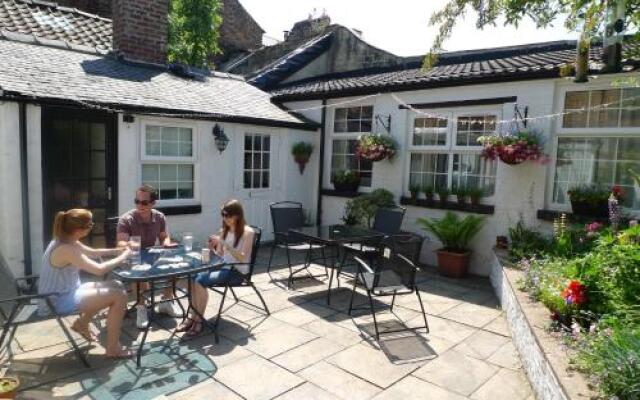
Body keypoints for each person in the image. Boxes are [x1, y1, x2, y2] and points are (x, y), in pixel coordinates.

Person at [38, 209, 133, 359]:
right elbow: (99, 270)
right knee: (119, 296)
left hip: (67, 291)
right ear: (78, 229)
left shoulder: (67, 240)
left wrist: (119, 250)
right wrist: (124, 256)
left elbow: (94, 253)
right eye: (90, 224)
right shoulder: (66, 249)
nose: (92, 226)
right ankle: (113, 349)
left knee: (116, 284)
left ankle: (82, 323)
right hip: (56, 301)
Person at [177, 199, 254, 338]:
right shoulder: (223, 230)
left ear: (237, 215)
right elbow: (219, 255)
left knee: (200, 280)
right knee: (192, 277)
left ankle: (199, 321)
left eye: (228, 215)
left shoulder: (248, 232)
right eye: (223, 215)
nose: (225, 218)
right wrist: (212, 248)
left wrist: (224, 243)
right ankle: (192, 317)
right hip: (223, 266)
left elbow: (242, 258)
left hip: (236, 272)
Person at [116, 185, 180, 328]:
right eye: (137, 201)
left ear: (153, 203)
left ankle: (166, 301)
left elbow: (164, 237)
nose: (140, 205)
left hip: (151, 254)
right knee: (139, 269)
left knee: (176, 265)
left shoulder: (159, 217)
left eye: (144, 202)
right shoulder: (127, 219)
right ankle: (141, 308)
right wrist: (128, 243)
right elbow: (121, 242)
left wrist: (166, 244)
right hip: (131, 256)